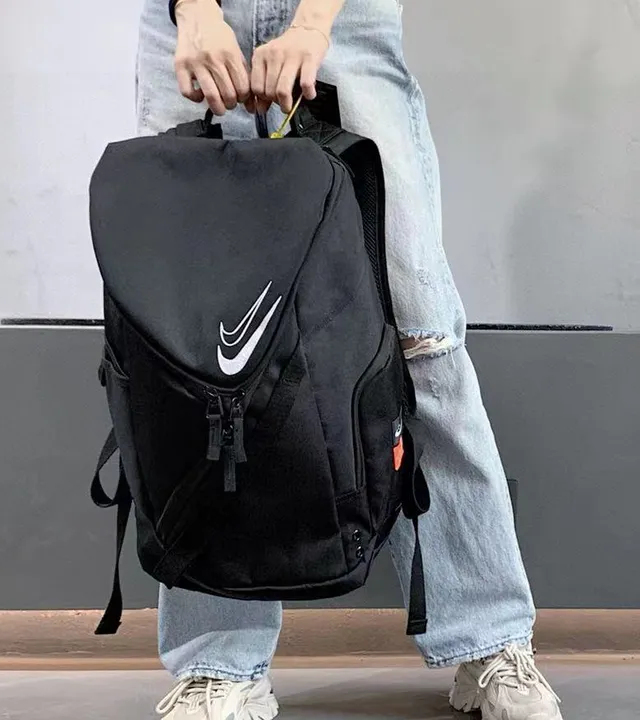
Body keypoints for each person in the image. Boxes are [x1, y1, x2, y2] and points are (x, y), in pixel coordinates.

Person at [136, 0, 563, 718]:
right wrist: (196, 11)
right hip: (191, 29)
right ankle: (219, 663)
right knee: (202, 359)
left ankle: (490, 639)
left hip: (342, 26)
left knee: (419, 341)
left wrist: (310, 24)